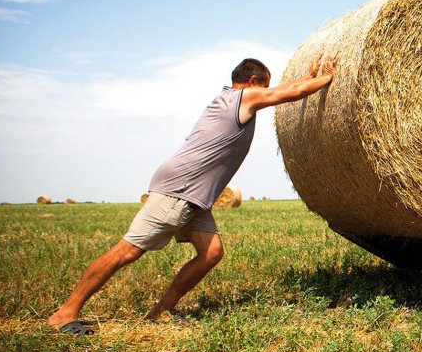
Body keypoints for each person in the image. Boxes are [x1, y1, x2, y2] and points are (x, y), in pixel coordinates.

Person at [47, 55, 336, 335]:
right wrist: (326, 78)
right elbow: (291, 93)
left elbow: (285, 89)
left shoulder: (229, 99)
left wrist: (308, 76)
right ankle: (65, 314)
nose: (266, 94)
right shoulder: (241, 99)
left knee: (211, 253)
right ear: (251, 81)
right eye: (265, 87)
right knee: (128, 251)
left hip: (196, 195)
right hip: (180, 189)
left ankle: (159, 313)